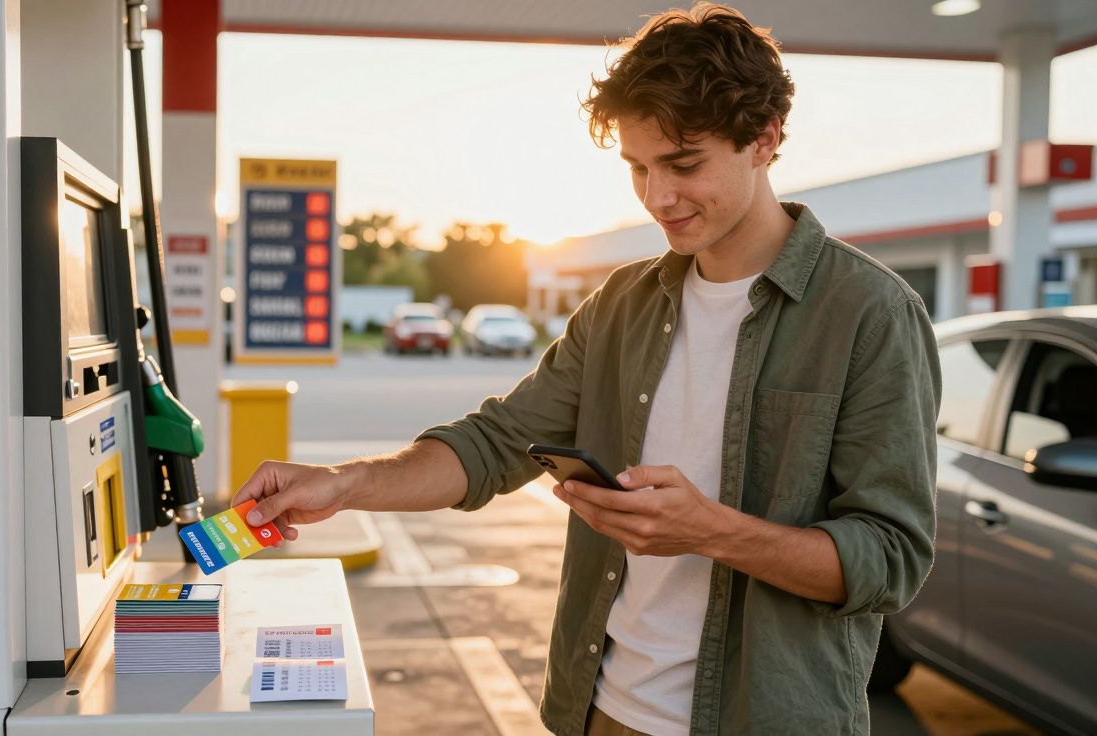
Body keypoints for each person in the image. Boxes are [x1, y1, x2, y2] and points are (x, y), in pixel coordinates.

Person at [233, 4, 940, 734]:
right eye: (637, 167)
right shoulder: (623, 305)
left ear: (764, 140)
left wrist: (708, 530)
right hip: (600, 711)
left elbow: (889, 560)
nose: (657, 197)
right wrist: (347, 483)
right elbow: (497, 441)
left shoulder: (870, 314)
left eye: (683, 164)